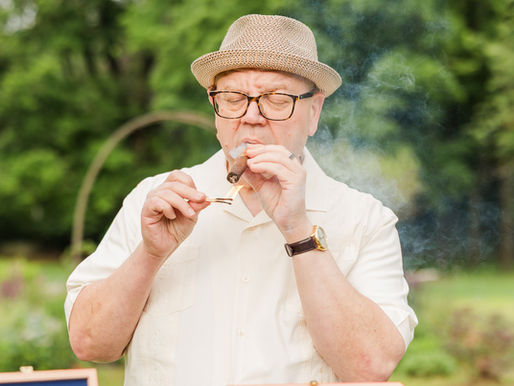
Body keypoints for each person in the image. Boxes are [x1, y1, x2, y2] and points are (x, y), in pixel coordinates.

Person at [65, 14, 417, 386]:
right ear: (214, 107)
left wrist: (298, 229)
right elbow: (90, 344)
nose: (251, 116)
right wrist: (150, 254)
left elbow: (371, 367)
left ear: (314, 112)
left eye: (277, 100)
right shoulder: (154, 200)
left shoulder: (365, 219)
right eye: (233, 99)